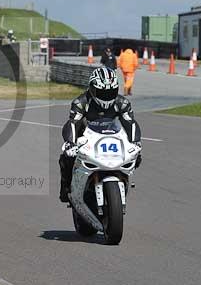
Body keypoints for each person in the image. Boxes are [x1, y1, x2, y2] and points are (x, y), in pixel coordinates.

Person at [58, 66, 141, 203]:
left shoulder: (122, 103)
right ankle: (66, 188)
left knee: (137, 156)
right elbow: (72, 123)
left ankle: (124, 179)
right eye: (102, 92)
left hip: (112, 136)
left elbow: (130, 122)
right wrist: (70, 143)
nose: (106, 96)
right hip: (86, 138)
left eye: (110, 92)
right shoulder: (81, 103)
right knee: (66, 158)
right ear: (92, 89)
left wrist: (136, 141)